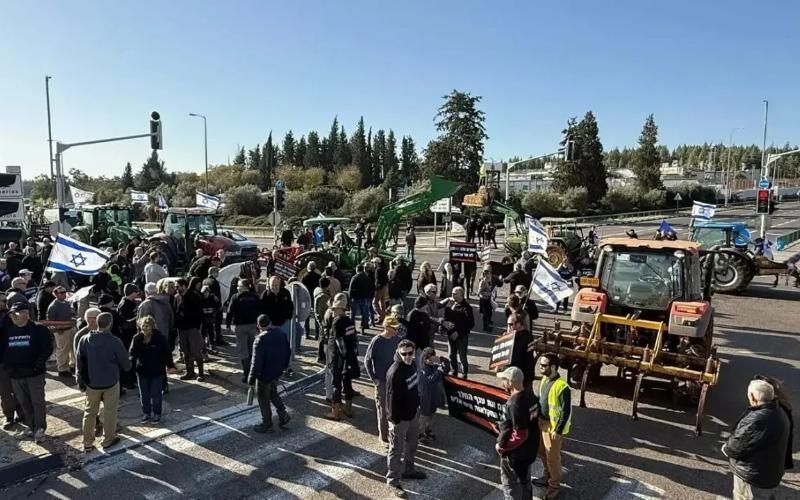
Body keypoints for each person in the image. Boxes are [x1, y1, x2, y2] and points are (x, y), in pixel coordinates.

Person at [722, 378, 790, 499]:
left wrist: (726, 448)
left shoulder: (755, 419)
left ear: (753, 398)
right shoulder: (780, 413)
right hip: (771, 472)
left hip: (751, 474)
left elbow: (737, 445)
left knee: (742, 496)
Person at [76, 311, 131, 451]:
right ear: (110, 324)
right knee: (110, 411)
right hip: (110, 381)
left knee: (89, 412)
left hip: (91, 383)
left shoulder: (84, 340)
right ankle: (108, 440)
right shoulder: (114, 341)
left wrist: (80, 381)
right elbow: (126, 364)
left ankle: (87, 442)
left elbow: (79, 363)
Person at [0, 302, 52, 442]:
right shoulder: (9, 330)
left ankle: (40, 428)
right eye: (11, 314)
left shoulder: (39, 329)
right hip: (16, 374)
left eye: (15, 313)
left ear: (26, 314)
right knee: (24, 402)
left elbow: (47, 349)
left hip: (34, 374)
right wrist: (8, 367)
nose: (13, 316)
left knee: (37, 402)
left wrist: (37, 365)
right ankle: (31, 426)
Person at [385, 339, 426, 497]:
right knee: (396, 450)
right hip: (399, 419)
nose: (408, 356)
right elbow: (390, 399)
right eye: (404, 354)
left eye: (410, 353)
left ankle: (409, 470)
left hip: (413, 414)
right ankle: (393, 480)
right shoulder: (394, 372)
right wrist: (394, 421)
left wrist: (417, 406)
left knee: (412, 444)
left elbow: (414, 387)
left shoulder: (412, 365)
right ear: (398, 353)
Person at [496, 366, 540, 500]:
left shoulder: (515, 404)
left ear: (510, 381)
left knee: (511, 487)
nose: (501, 382)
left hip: (516, 454)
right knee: (525, 482)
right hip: (529, 450)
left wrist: (503, 447)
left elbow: (520, 434)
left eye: (503, 379)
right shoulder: (530, 395)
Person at [534, 354, 572, 499]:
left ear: (553, 367)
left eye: (543, 365)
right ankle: (546, 476)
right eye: (540, 364)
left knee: (553, 458)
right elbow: (541, 399)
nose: (540, 367)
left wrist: (558, 429)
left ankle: (554, 488)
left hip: (552, 427)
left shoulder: (562, 387)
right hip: (542, 423)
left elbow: (565, 410)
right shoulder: (544, 379)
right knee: (542, 452)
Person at [248, 314, 291, 433]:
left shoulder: (260, 340)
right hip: (277, 372)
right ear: (270, 323)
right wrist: (285, 367)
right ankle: (283, 414)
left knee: (263, 399)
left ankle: (267, 424)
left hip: (264, 375)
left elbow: (256, 363)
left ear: (258, 326)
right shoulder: (281, 334)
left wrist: (251, 379)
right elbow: (288, 351)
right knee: (273, 393)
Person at [364, 316, 402, 444]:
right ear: (387, 327)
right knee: (383, 409)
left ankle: (393, 434)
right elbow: (367, 361)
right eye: (394, 328)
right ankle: (384, 437)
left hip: (394, 381)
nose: (397, 330)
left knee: (394, 408)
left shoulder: (397, 339)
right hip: (382, 381)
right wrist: (374, 379)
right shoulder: (377, 341)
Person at [129, 315, 169, 424]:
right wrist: (130, 365)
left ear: (152, 327)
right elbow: (132, 353)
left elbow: (166, 353)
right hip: (142, 370)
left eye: (147, 326)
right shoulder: (137, 338)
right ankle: (146, 413)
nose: (144, 328)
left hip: (157, 370)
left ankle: (157, 413)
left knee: (156, 394)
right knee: (144, 394)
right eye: (143, 326)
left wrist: (170, 365)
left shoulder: (160, 338)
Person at [325, 297, 359, 421]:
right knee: (348, 382)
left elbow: (339, 342)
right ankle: (348, 408)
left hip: (338, 357)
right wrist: (351, 356)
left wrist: (341, 357)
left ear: (341, 309)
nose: (333, 311)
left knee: (336, 383)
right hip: (350, 356)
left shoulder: (336, 322)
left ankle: (336, 412)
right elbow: (354, 339)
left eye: (335, 309)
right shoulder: (349, 321)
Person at [228, 278, 261, 383]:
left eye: (238, 286)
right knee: (252, 348)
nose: (237, 288)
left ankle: (246, 373)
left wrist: (228, 325)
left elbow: (229, 312)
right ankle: (253, 371)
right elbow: (260, 310)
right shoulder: (255, 297)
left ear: (242, 287)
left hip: (240, 327)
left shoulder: (236, 297)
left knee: (243, 350)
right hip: (253, 325)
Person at [175, 278, 205, 381]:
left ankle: (201, 373)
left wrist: (197, 326)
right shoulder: (177, 298)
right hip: (181, 329)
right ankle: (190, 372)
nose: (176, 288)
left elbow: (200, 312)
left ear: (184, 286)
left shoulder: (193, 296)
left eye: (178, 286)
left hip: (192, 328)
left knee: (196, 350)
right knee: (185, 351)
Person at [443, 287, 474, 379]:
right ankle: (454, 372)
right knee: (451, 355)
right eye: (452, 293)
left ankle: (464, 375)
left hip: (461, 337)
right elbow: (446, 319)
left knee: (462, 357)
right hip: (450, 336)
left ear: (461, 295)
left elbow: (470, 324)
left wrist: (458, 332)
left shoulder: (466, 307)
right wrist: (444, 328)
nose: (453, 295)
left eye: (455, 293)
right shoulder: (450, 305)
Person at [47, 285, 76, 378]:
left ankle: (72, 365)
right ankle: (62, 368)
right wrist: (57, 330)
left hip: (70, 328)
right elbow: (51, 321)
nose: (64, 294)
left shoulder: (66, 303)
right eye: (62, 293)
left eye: (65, 292)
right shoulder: (53, 306)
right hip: (61, 331)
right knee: (63, 350)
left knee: (73, 348)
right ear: (56, 294)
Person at [417, 347, 445, 444]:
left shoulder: (433, 366)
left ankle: (427, 429)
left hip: (433, 394)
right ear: (425, 359)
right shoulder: (423, 370)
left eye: (433, 358)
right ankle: (420, 433)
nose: (432, 361)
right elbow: (430, 380)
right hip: (426, 396)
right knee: (424, 415)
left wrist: (441, 361)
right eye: (430, 359)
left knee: (432, 413)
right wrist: (439, 371)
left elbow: (447, 366)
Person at [507, 313, 535, 392]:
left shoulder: (526, 337)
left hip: (523, 376)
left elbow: (515, 355)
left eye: (510, 324)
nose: (509, 327)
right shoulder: (513, 336)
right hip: (514, 375)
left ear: (519, 324)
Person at [405, 296, 432, 366]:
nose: (427, 306)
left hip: (425, 345)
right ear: (422, 305)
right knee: (419, 365)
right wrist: (414, 347)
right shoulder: (412, 316)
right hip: (418, 347)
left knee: (423, 364)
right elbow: (410, 333)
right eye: (426, 304)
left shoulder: (424, 314)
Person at [349, 264, 373, 334]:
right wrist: (369, 297)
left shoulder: (355, 277)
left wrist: (350, 297)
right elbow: (371, 288)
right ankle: (362, 329)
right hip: (364, 298)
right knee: (364, 314)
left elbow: (350, 288)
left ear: (357, 269)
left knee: (353, 315)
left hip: (355, 298)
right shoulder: (367, 278)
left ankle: (353, 329)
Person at [313, 277, 332, 361]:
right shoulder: (323, 296)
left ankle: (321, 355)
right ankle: (321, 356)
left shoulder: (318, 291)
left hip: (321, 320)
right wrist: (323, 322)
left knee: (322, 338)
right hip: (323, 320)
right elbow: (321, 311)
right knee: (323, 338)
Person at [373, 257, 389, 324]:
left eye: (374, 263)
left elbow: (377, 280)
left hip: (379, 288)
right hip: (384, 287)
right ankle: (383, 316)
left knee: (374, 302)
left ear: (377, 263)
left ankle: (380, 316)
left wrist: (375, 288)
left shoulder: (378, 270)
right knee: (382, 303)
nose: (373, 264)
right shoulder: (384, 268)